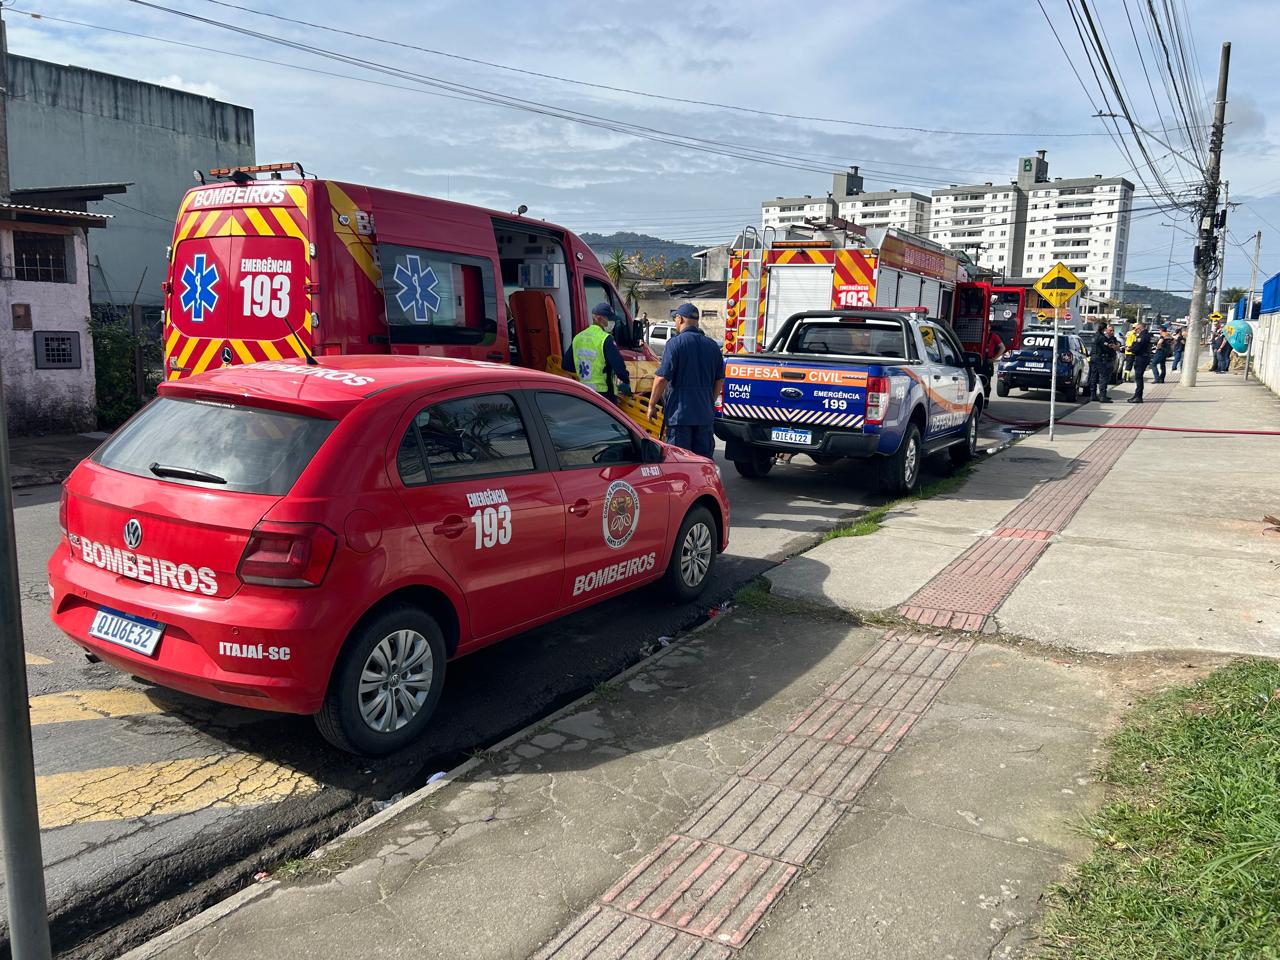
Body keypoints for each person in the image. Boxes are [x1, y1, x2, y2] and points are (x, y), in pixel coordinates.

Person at [646, 303, 725, 458]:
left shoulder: (675, 344)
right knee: (702, 464)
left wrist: (651, 405)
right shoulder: (713, 346)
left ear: (680, 319)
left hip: (680, 417)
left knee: (679, 464)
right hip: (704, 417)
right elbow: (719, 380)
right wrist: (709, 402)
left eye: (675, 318)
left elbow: (662, 378)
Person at [569, 303, 632, 403]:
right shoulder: (605, 339)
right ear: (599, 318)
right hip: (603, 395)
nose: (612, 322)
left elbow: (566, 365)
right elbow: (618, 366)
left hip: (583, 392)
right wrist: (626, 381)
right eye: (609, 319)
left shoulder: (578, 337)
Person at [1087, 323, 1119, 403]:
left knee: (1093, 376)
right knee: (1103, 376)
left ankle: (1093, 395)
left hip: (1093, 357)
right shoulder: (1102, 337)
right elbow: (1105, 348)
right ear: (1104, 329)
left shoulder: (1095, 335)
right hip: (1099, 358)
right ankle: (1102, 396)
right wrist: (1111, 348)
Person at [1128, 321, 1152, 403]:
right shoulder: (1145, 335)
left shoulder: (1143, 336)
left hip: (1141, 358)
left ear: (1140, 328)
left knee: (1138, 378)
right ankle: (1136, 395)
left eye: (1137, 329)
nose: (1136, 330)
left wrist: (1130, 349)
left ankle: (1138, 397)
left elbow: (1137, 347)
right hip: (1142, 357)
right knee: (1138, 378)